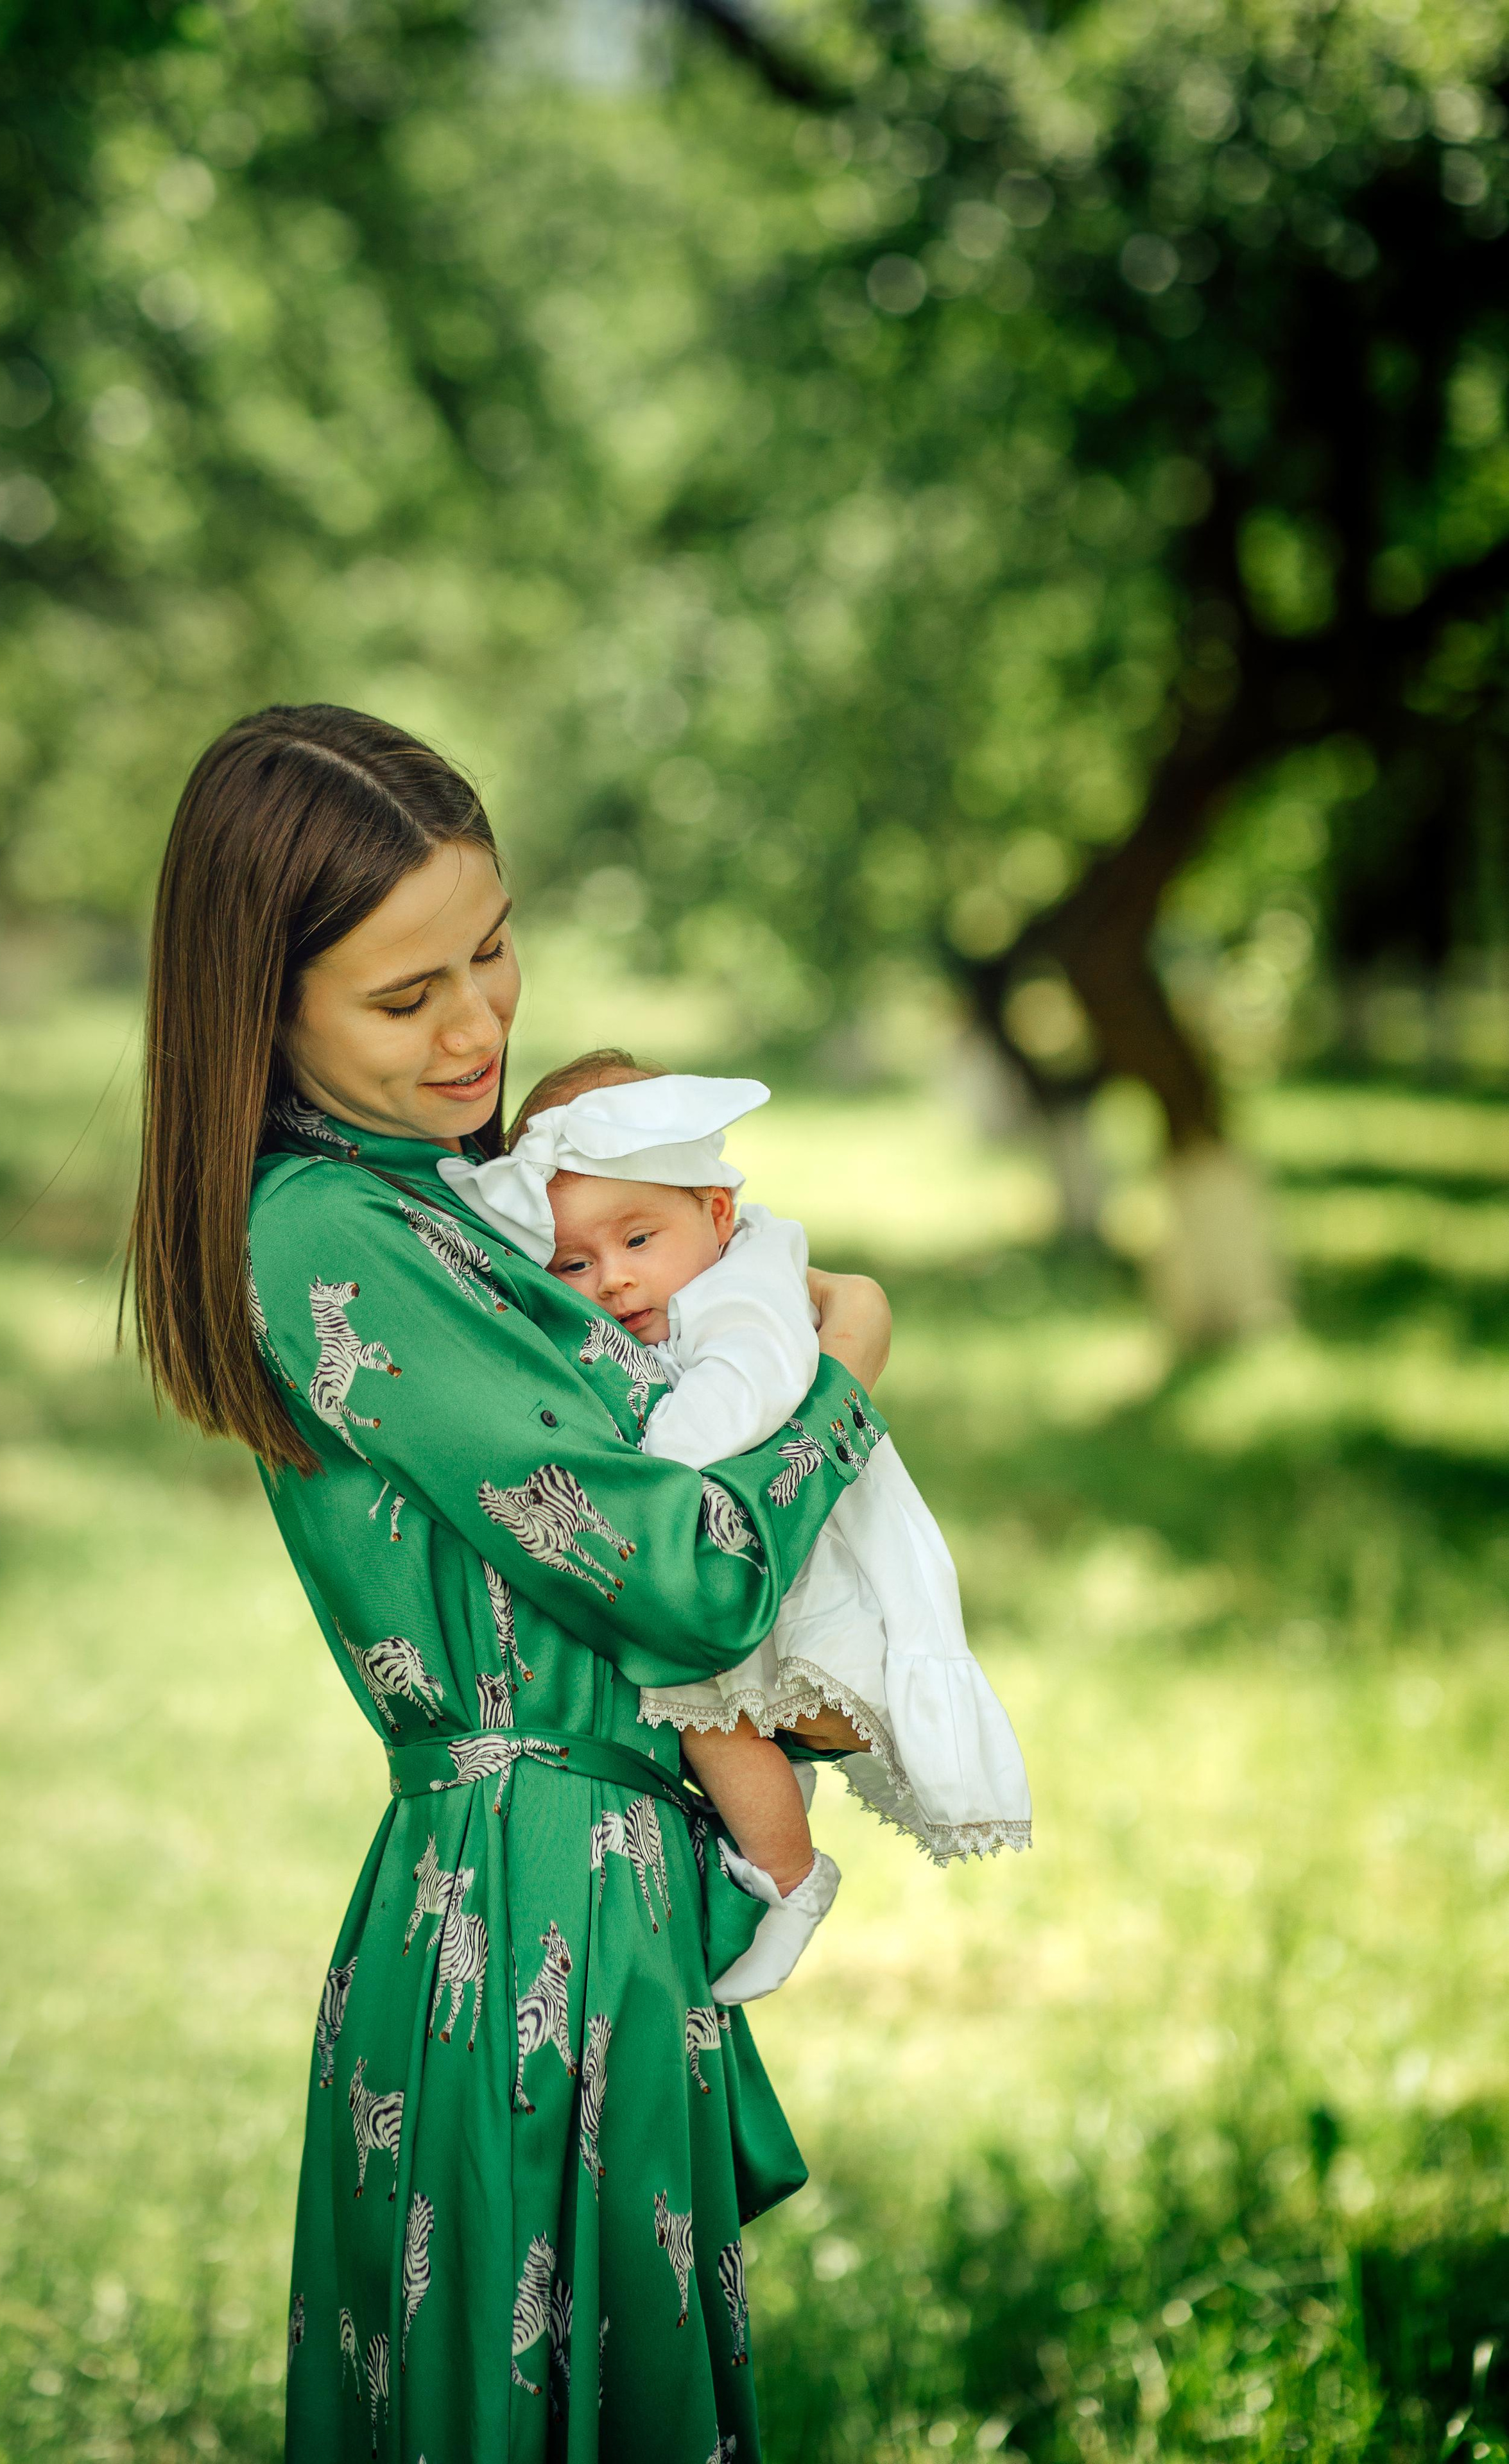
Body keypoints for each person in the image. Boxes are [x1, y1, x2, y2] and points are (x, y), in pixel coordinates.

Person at [126, 703, 893, 2464]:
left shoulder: (469, 1197)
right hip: (521, 1901)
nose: (478, 1025)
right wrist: (843, 1373)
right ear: (267, 1005)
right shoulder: (329, 1235)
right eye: (406, 998)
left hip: (597, 1880)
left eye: (491, 950)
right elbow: (677, 1577)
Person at [443, 1052, 1033, 2003]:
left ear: (718, 1212)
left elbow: (743, 1388)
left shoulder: (747, 1288)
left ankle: (791, 1882)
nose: (615, 1282)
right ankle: (774, 1834)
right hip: (759, 1559)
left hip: (790, 1573)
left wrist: (649, 1483)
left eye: (640, 1239)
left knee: (695, 1703)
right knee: (718, 1718)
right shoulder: (703, 1275)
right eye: (574, 1264)